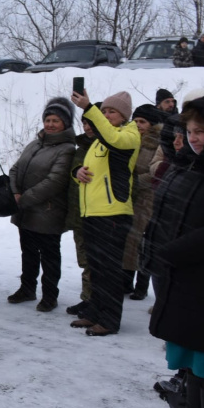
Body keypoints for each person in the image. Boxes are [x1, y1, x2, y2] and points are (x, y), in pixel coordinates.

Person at [147, 91, 204, 408]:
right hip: (189, 280)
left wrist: (179, 250)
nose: (194, 137)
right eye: (191, 130)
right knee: (192, 357)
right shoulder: (195, 166)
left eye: (203, 131)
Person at [69, 89, 140, 336]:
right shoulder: (100, 140)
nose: (107, 115)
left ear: (124, 116)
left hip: (113, 213)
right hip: (93, 212)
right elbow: (88, 170)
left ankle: (109, 320)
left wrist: (90, 108)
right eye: (105, 111)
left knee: (109, 270)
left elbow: (115, 140)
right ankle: (94, 312)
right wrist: (77, 172)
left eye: (112, 111)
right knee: (96, 267)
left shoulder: (129, 134)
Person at [7, 97, 75, 312]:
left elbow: (54, 181)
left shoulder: (66, 149)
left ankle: (50, 295)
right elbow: (15, 169)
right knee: (27, 253)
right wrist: (15, 192)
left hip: (48, 213)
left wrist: (24, 198)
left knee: (49, 257)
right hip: (26, 212)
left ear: (65, 123)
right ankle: (27, 288)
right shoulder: (35, 143)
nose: (50, 124)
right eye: (48, 119)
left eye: (56, 120)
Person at [122, 104, 162, 301]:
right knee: (128, 239)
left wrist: (134, 181)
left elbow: (155, 172)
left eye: (142, 121)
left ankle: (142, 284)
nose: (138, 125)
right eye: (135, 121)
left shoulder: (157, 143)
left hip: (147, 197)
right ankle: (126, 281)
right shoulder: (130, 139)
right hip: (129, 196)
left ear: (151, 124)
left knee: (142, 242)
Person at [65, 109, 98, 316]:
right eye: (84, 123)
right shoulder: (81, 147)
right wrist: (75, 171)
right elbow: (74, 170)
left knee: (95, 261)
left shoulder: (107, 146)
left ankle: (94, 300)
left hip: (98, 213)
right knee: (85, 259)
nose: (86, 127)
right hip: (80, 212)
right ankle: (88, 298)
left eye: (91, 123)